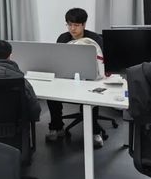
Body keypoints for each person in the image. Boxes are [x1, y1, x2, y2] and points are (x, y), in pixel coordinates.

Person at [45, 8, 106, 148]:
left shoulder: (94, 39)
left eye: (76, 25)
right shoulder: (63, 38)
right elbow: (58, 59)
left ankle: (94, 132)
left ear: (84, 25)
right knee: (51, 94)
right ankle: (56, 127)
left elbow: (100, 63)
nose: (72, 28)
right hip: (67, 77)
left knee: (92, 96)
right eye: (69, 24)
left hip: (89, 78)